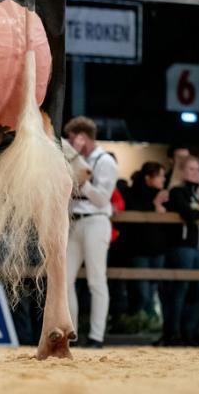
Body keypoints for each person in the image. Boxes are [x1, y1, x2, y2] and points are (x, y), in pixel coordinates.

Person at [64, 116, 117, 348]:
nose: (70, 143)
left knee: (96, 280)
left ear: (83, 138)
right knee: (65, 280)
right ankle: (71, 333)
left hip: (96, 221)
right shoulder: (73, 161)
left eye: (73, 139)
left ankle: (97, 336)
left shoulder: (105, 161)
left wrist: (82, 183)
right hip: (74, 220)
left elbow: (102, 199)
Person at [161, 155, 199, 345]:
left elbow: (197, 212)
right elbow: (188, 214)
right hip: (181, 247)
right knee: (179, 290)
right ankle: (173, 333)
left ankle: (189, 330)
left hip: (198, 249)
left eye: (198, 169)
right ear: (182, 172)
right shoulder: (177, 192)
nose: (195, 173)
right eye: (190, 169)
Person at [119, 162, 168, 331]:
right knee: (141, 293)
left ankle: (149, 326)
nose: (163, 179)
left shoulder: (163, 195)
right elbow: (132, 212)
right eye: (160, 175)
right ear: (149, 178)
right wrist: (154, 205)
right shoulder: (132, 193)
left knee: (153, 291)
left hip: (158, 251)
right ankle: (135, 325)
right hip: (138, 251)